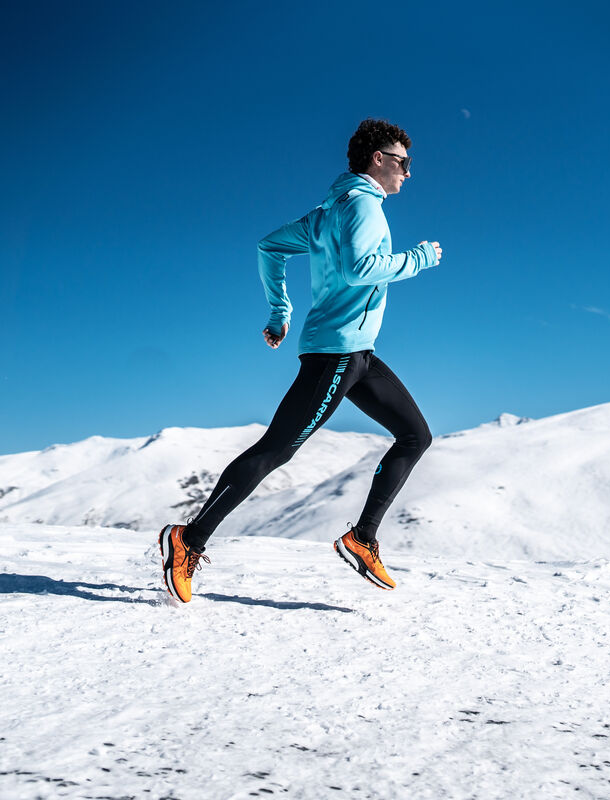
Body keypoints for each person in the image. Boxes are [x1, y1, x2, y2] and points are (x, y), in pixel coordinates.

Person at [159, 118, 443, 603]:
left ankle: (362, 538)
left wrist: (279, 311)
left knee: (416, 435)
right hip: (336, 354)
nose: (408, 172)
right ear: (378, 159)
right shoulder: (363, 206)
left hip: (356, 352)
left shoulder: (328, 210)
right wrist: (418, 258)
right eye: (403, 161)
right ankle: (190, 538)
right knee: (276, 449)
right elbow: (359, 270)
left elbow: (269, 246)